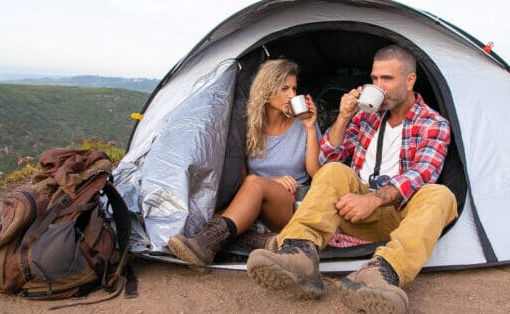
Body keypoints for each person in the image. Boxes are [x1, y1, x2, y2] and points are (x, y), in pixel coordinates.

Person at [246, 45, 457, 314]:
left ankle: (380, 274)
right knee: (334, 171)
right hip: (354, 211)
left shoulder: (433, 124)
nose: (378, 86)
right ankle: (299, 256)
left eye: (387, 79)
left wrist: (372, 199)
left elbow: (421, 174)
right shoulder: (367, 115)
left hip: (401, 215)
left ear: (410, 80)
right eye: (374, 79)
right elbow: (325, 159)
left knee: (440, 195)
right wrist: (344, 116)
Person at [167, 59, 321, 267]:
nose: (292, 95)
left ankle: (205, 244)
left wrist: (311, 128)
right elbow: (241, 179)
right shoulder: (248, 127)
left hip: (292, 204)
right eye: (284, 89)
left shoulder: (303, 125)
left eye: (294, 88)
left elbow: (315, 172)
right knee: (211, 211)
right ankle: (259, 241)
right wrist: (272, 181)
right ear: (266, 90)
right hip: (256, 201)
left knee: (254, 183)